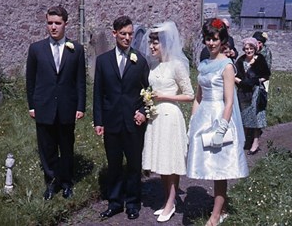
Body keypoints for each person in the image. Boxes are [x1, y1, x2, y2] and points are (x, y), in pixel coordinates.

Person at [187, 18, 249, 226]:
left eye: (215, 39)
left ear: (222, 40)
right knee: (209, 165)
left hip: (221, 117)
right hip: (204, 115)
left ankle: (215, 215)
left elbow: (229, 102)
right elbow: (198, 97)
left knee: (220, 168)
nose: (211, 43)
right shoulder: (203, 64)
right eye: (208, 39)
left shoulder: (227, 66)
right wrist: (192, 122)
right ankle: (220, 209)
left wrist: (222, 128)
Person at [26, 6, 86, 200]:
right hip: (44, 106)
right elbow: (31, 80)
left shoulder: (76, 49)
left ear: (65, 24)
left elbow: (80, 81)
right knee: (47, 147)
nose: (53, 27)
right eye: (50, 23)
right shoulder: (36, 49)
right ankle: (51, 183)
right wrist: (32, 105)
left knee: (66, 147)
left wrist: (80, 106)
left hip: (67, 107)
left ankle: (67, 182)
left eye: (57, 23)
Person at [93, 15, 150, 220]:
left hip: (134, 122)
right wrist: (98, 121)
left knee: (134, 164)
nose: (127, 38)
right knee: (114, 164)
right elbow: (98, 93)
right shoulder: (103, 61)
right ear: (114, 34)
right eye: (123, 34)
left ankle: (133, 203)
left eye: (130, 34)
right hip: (111, 121)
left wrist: (144, 112)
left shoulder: (140, 60)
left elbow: (149, 90)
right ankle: (115, 202)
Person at [138, 21, 194, 222]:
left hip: (170, 116)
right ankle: (167, 200)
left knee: (171, 161)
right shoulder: (153, 65)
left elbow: (189, 95)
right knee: (161, 161)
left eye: (156, 43)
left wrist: (164, 96)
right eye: (151, 43)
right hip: (155, 117)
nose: (152, 47)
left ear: (166, 44)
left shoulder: (177, 65)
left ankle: (171, 203)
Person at [235, 37, 271, 155]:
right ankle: (244, 140)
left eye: (251, 48)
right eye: (246, 49)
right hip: (243, 92)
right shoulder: (240, 61)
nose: (248, 51)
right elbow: (234, 75)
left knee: (256, 118)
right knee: (244, 116)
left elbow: (266, 75)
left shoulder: (260, 60)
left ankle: (255, 142)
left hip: (256, 92)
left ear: (255, 48)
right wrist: (241, 82)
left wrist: (256, 81)